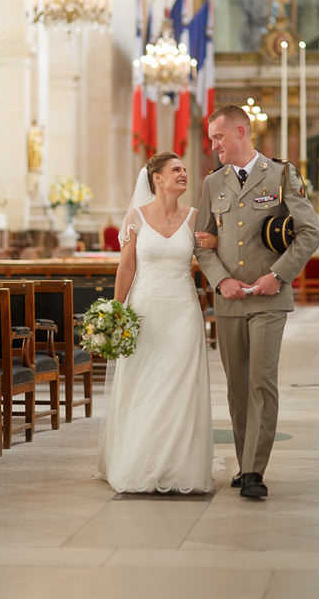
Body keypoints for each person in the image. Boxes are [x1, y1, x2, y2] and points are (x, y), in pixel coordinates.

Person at [194, 105, 319, 499]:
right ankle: (244, 459)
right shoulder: (212, 184)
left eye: (218, 137)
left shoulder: (282, 174)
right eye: (212, 138)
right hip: (230, 300)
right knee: (236, 387)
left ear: (241, 132)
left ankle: (253, 471)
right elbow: (202, 245)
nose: (213, 144)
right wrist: (221, 281)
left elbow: (309, 233)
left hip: (270, 298)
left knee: (261, 383)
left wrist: (278, 275)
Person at [95, 152, 216, 493]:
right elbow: (127, 267)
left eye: (184, 170)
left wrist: (215, 242)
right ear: (157, 178)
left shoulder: (194, 218)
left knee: (178, 386)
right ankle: (140, 459)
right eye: (175, 170)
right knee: (146, 384)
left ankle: (177, 466)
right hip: (145, 309)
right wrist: (116, 312)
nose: (183, 174)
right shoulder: (136, 217)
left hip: (183, 312)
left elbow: (209, 255)